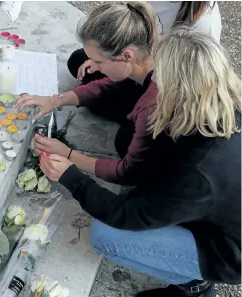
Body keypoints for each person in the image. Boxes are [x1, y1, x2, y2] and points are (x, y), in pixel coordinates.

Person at [39, 28, 241, 297]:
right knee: (132, 142)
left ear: (178, 89)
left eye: (158, 76)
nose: (153, 78)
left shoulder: (199, 170)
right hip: (215, 210)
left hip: (226, 251)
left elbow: (128, 215)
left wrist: (72, 176)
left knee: (106, 236)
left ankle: (193, 284)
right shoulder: (220, 104)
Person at [16, 2, 174, 186]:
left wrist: (68, 155)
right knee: (84, 68)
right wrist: (55, 100)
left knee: (124, 140)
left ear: (127, 56)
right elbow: (108, 85)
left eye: (99, 62)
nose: (95, 68)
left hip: (173, 173)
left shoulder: (152, 105)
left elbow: (127, 172)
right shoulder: (146, 59)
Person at [68, 2, 221, 86]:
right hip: (136, 60)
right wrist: (102, 56)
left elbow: (191, 82)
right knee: (78, 61)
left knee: (127, 138)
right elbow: (124, 27)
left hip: (163, 81)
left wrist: (106, 62)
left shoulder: (203, 25)